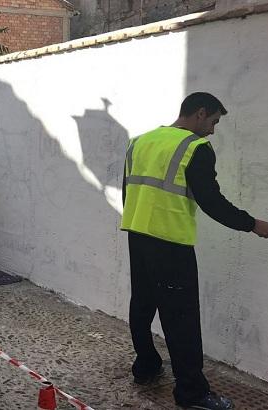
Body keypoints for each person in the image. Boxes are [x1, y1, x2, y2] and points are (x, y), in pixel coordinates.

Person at [121, 92, 268, 410]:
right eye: (214, 121)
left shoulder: (140, 141)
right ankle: (193, 394)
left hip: (137, 235)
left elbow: (128, 190)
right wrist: (254, 225)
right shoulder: (196, 148)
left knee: (142, 305)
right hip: (171, 244)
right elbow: (211, 201)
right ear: (200, 114)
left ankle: (145, 367)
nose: (214, 129)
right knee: (182, 319)